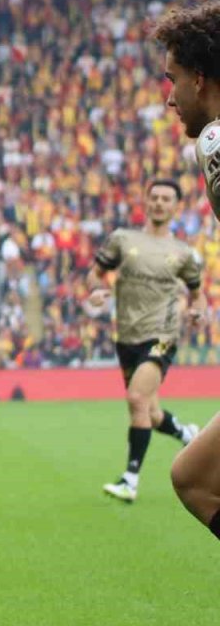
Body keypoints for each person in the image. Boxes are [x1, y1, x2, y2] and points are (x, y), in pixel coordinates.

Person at [86, 180, 203, 504]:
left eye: (167, 199)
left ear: (176, 206)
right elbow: (94, 274)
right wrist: (95, 289)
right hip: (127, 337)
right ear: (146, 202)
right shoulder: (123, 240)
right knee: (148, 412)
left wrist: (197, 312)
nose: (159, 203)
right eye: (155, 197)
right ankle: (185, 433)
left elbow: (198, 295)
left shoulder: (183, 253)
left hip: (163, 335)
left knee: (137, 398)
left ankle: (130, 480)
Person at [154, 0, 220, 540]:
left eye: (173, 79)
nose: (169, 96)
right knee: (192, 476)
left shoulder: (217, 143)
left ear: (200, 79)